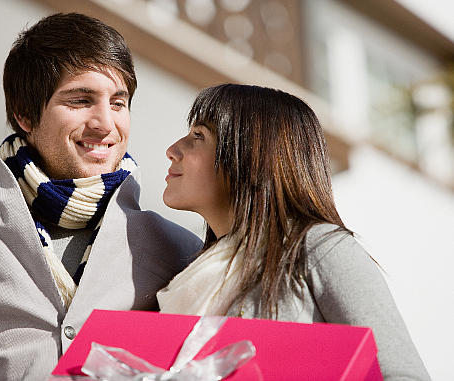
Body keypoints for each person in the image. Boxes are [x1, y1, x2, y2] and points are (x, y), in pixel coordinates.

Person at [0, 13, 202, 380]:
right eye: (81, 101)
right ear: (24, 114)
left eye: (118, 102)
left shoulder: (183, 254)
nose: (104, 123)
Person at [157, 84, 430, 380]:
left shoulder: (319, 248)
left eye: (198, 136)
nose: (172, 150)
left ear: (252, 155)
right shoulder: (190, 272)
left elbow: (402, 375)